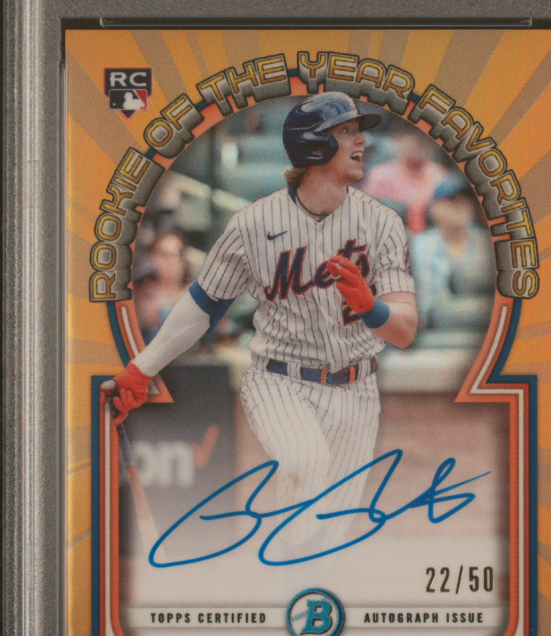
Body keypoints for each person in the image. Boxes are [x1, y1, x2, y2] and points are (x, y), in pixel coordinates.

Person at [105, 93, 418, 554]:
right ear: (314, 146)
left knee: (328, 537)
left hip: (357, 390)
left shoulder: (383, 223)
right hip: (280, 381)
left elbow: (404, 331)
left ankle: (293, 572)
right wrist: (142, 368)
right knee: (305, 459)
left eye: (359, 131)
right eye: (347, 132)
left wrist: (373, 309)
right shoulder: (254, 224)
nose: (361, 141)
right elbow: (203, 305)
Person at [409, 173, 496, 339]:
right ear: (434, 209)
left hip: (486, 329)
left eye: (466, 199)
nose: (461, 205)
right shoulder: (419, 246)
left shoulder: (489, 242)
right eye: (452, 200)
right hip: (439, 331)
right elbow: (426, 307)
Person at [362, 126, 447, 234]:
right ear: (400, 140)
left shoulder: (439, 173)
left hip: (433, 237)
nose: (420, 145)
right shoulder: (380, 175)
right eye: (414, 139)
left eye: (425, 140)